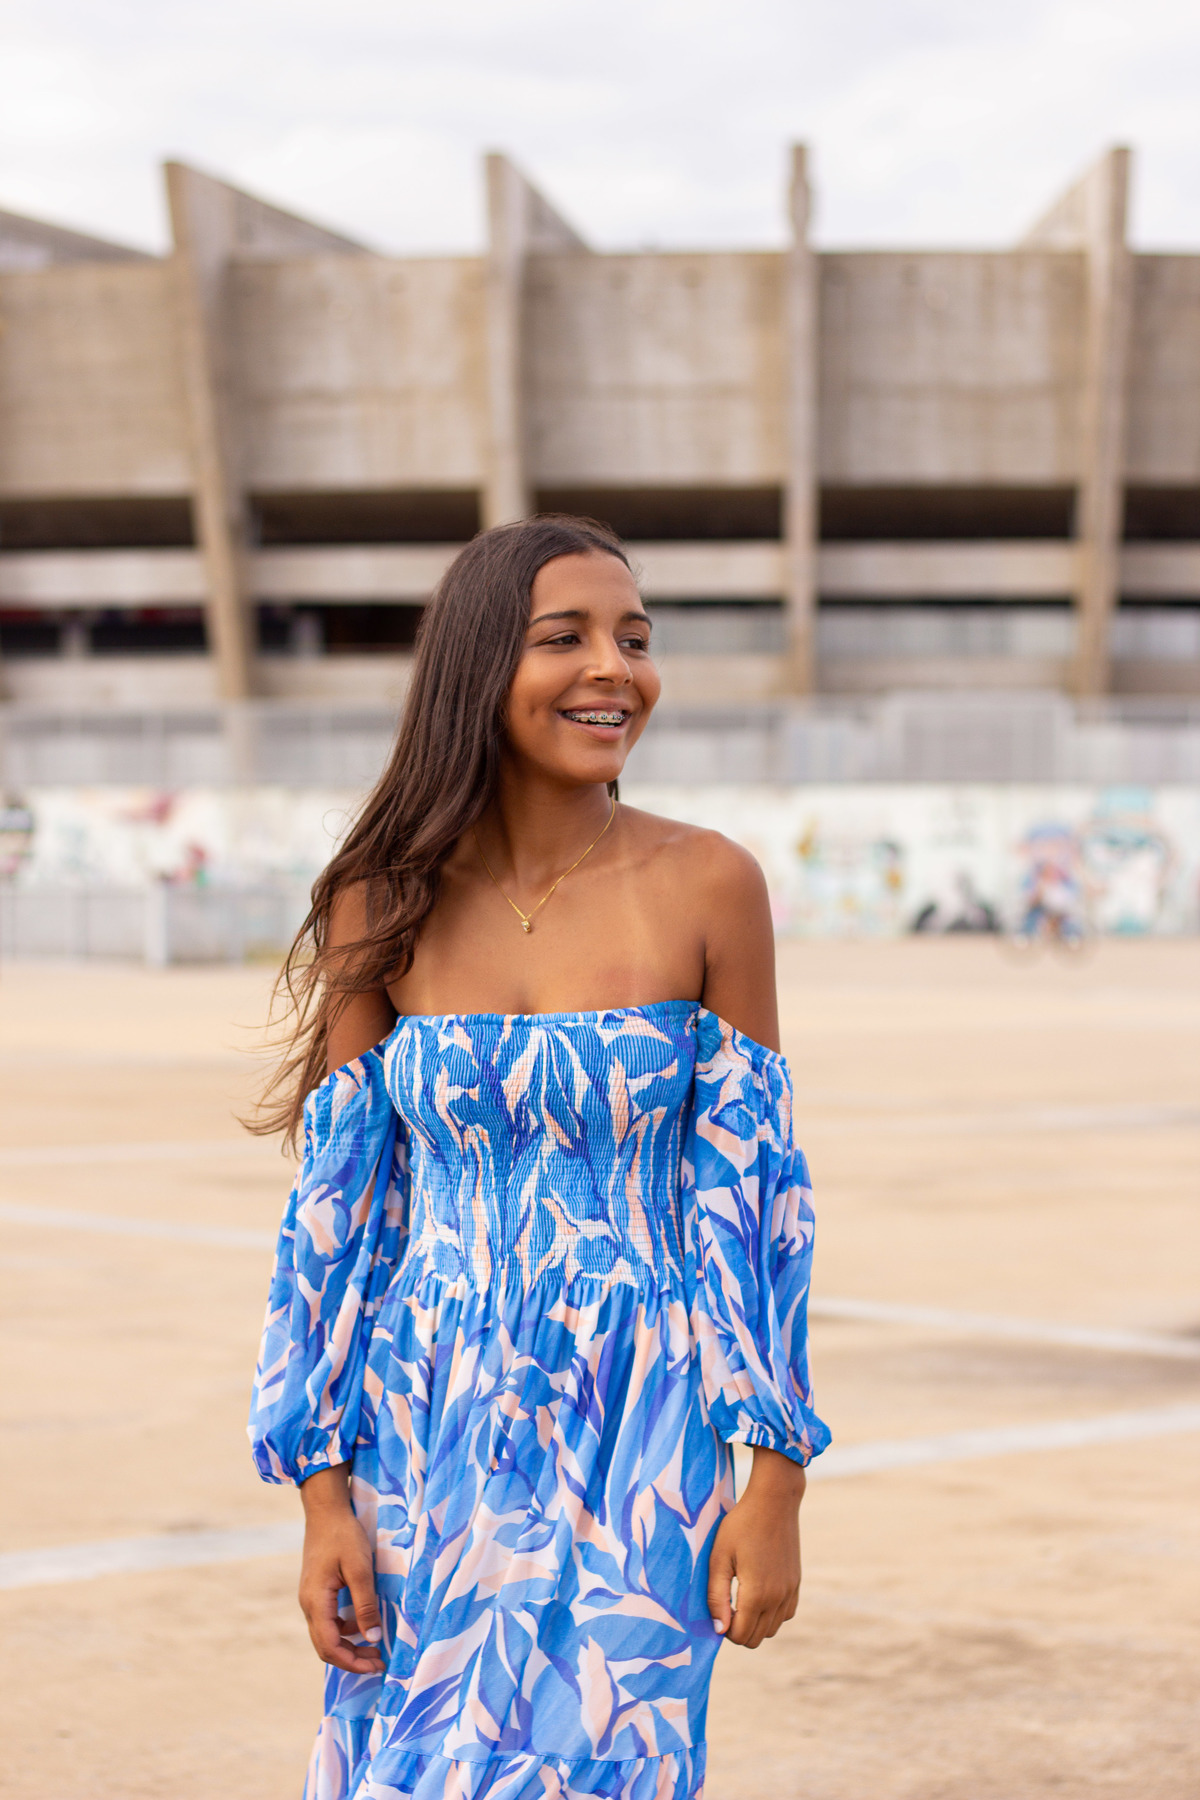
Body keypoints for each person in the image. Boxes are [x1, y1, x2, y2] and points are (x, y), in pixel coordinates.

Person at [248, 516, 830, 1800]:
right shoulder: (379, 897)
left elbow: (755, 1203)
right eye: (565, 638)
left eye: (635, 639)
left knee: (611, 1758)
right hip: (425, 1414)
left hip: (642, 1422)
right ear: (476, 666)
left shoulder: (710, 884)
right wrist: (322, 1498)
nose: (615, 669)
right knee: (414, 1764)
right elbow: (339, 1220)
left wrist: (776, 1475)